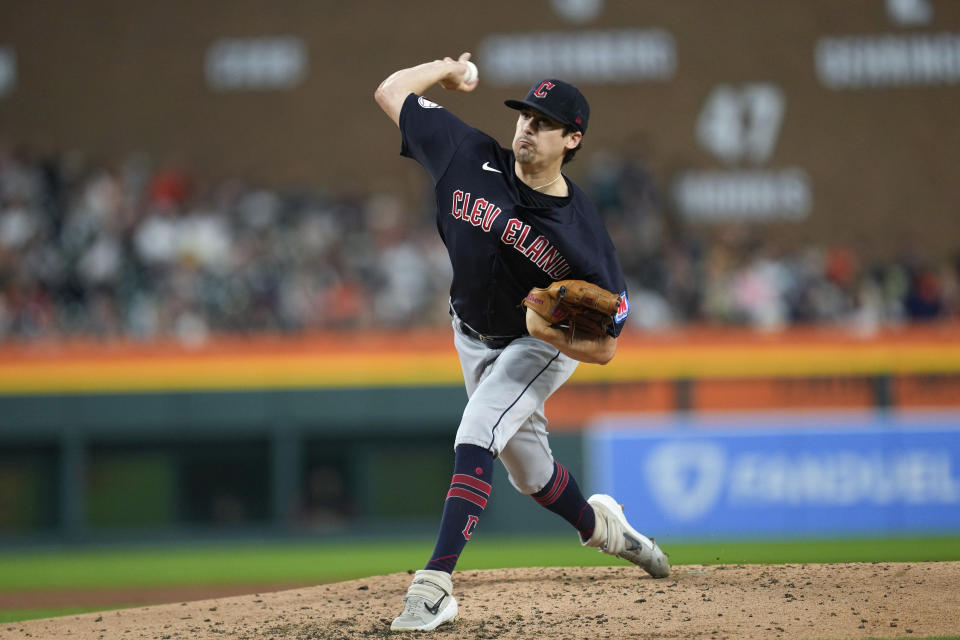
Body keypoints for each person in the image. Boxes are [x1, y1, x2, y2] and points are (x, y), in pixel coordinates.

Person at [374, 52, 669, 632]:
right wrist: (447, 71)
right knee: (531, 476)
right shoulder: (467, 153)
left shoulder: (581, 232)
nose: (526, 127)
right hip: (469, 331)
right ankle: (602, 527)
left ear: (572, 139)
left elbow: (607, 346)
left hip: (538, 346)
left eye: (542, 121)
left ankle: (435, 584)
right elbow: (389, 89)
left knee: (476, 430)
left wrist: (554, 333)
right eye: (524, 115)